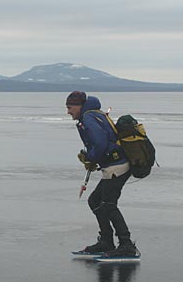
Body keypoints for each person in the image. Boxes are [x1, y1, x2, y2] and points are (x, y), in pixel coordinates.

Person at [66, 91, 139, 257]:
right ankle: (106, 241)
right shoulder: (93, 114)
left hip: (117, 166)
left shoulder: (88, 117)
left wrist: (90, 158)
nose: (68, 111)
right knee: (95, 200)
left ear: (79, 106)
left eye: (70, 107)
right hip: (114, 165)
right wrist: (91, 157)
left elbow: (100, 142)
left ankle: (126, 245)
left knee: (108, 204)